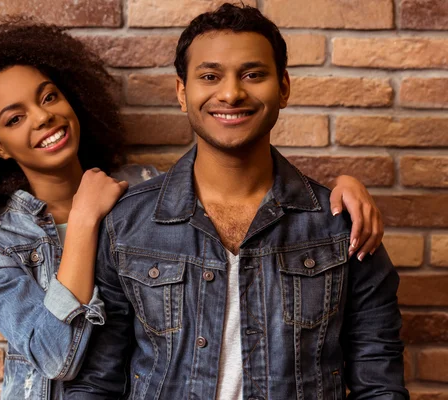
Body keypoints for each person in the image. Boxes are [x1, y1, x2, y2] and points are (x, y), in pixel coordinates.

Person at [0, 17, 388, 400]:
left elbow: (226, 172)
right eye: (15, 118)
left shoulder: (139, 190)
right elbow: (63, 361)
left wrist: (336, 191)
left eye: (49, 97)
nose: (42, 118)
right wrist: (83, 220)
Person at [65, 4, 407, 400]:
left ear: (283, 87)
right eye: (210, 76)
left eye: (253, 75)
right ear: (182, 92)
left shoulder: (341, 225)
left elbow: (379, 382)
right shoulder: (126, 224)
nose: (230, 93)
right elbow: (96, 382)